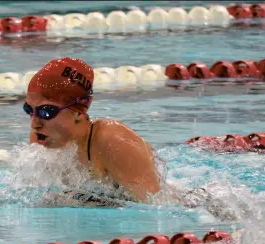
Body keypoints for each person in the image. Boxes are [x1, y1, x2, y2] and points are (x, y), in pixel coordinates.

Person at [25, 57, 162, 204]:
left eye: (46, 112)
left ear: (78, 112)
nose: (34, 124)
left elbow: (157, 207)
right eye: (29, 110)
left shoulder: (112, 140)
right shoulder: (42, 138)